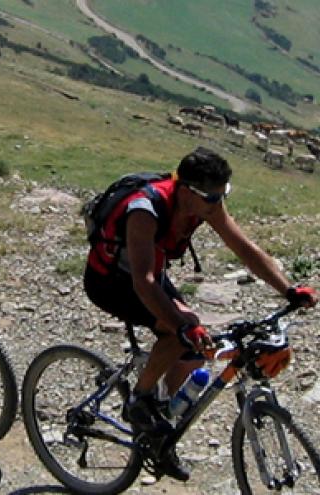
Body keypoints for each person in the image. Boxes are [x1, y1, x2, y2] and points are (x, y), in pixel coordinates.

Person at [83, 146, 317, 481]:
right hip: (112, 282)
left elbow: (245, 250)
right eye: (211, 196)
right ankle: (139, 400)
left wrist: (289, 290)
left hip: (149, 275)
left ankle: (161, 429)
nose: (217, 203)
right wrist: (180, 325)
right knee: (181, 329)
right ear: (185, 190)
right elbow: (144, 282)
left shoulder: (205, 204)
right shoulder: (144, 210)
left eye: (222, 195)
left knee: (195, 352)